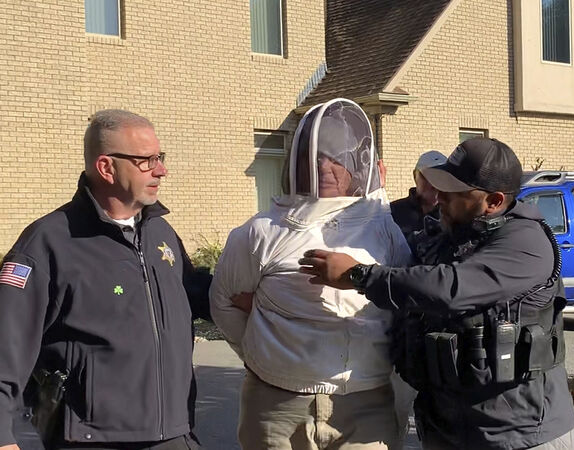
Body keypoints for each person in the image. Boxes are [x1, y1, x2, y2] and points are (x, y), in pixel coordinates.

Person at [299, 137, 574, 450]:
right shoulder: (451, 233)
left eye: (453, 191)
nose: (439, 196)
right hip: (447, 429)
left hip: (519, 434)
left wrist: (359, 276)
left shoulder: (526, 242)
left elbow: (448, 288)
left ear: (494, 201)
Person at [0, 109, 211, 450]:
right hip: (91, 439)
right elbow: (7, 344)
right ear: (106, 167)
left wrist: (262, 290)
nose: (161, 170)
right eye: (147, 161)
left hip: (174, 433)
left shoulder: (160, 233)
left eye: (160, 157)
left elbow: (196, 293)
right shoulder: (49, 242)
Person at [209, 98, 412, 450]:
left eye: (336, 157)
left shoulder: (385, 231)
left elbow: (403, 301)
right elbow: (223, 302)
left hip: (367, 403)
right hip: (276, 404)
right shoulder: (261, 231)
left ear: (359, 165)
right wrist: (263, 357)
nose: (323, 166)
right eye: (315, 157)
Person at [389, 150, 446, 239]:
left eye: (440, 177)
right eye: (427, 177)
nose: (433, 184)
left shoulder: (454, 215)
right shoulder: (391, 213)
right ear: (415, 176)